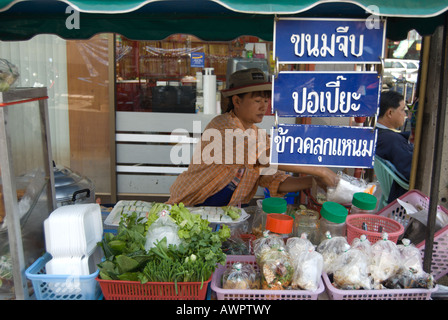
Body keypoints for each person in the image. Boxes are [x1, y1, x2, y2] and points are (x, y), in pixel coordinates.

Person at [167, 68, 338, 207]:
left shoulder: (258, 135)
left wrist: (314, 181)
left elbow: (273, 179)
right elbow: (263, 157)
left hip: (224, 210)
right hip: (191, 204)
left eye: (265, 100)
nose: (264, 106)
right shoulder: (222, 126)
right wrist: (319, 170)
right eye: (257, 101)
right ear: (237, 101)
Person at [375, 90, 413, 203]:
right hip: (403, 199)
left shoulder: (379, 133)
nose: (405, 114)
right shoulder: (391, 140)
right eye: (402, 110)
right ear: (390, 113)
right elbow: (411, 173)